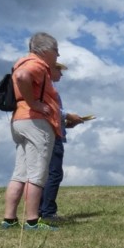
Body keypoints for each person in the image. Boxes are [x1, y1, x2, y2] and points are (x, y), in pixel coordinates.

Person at [1, 32, 62, 231]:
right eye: (56, 51)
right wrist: (34, 103)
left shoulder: (20, 61)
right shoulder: (36, 64)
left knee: (20, 173)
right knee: (37, 174)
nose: (58, 56)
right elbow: (22, 77)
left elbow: (18, 75)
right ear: (45, 50)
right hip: (36, 123)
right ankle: (32, 221)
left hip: (19, 120)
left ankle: (9, 219)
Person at [39, 62, 85, 221]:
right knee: (54, 173)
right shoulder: (48, 88)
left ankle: (40, 210)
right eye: (59, 69)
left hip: (50, 131)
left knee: (45, 174)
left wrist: (66, 123)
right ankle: (48, 212)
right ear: (50, 70)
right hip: (52, 134)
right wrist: (67, 116)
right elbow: (51, 109)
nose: (61, 74)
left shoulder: (45, 87)